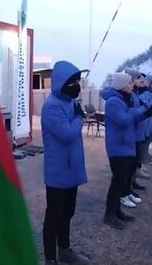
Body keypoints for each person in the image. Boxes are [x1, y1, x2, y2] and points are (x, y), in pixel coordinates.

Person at [41, 60, 90, 265]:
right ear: (62, 83)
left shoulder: (69, 102)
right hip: (58, 171)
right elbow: (67, 134)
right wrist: (80, 118)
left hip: (71, 168)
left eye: (78, 81)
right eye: (73, 82)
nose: (77, 85)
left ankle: (64, 250)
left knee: (68, 212)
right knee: (54, 215)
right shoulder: (51, 106)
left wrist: (77, 114)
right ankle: (50, 258)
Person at [100, 72, 152, 229]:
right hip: (118, 147)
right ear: (122, 85)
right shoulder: (114, 102)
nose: (132, 85)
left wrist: (144, 115)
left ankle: (117, 211)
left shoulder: (123, 99)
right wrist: (139, 110)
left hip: (126, 145)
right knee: (117, 181)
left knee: (122, 180)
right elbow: (123, 120)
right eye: (130, 83)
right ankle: (109, 215)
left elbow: (131, 119)